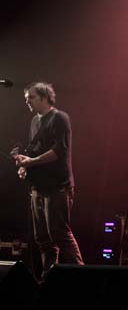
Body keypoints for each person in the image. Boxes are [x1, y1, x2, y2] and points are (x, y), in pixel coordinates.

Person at [14, 82, 84, 281]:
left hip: (58, 186)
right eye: (26, 98)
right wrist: (24, 166)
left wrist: (32, 162)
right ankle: (48, 280)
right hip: (38, 187)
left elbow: (59, 151)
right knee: (43, 238)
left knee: (60, 235)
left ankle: (84, 277)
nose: (27, 101)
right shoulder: (34, 121)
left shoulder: (60, 118)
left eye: (31, 97)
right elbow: (34, 151)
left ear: (45, 97)